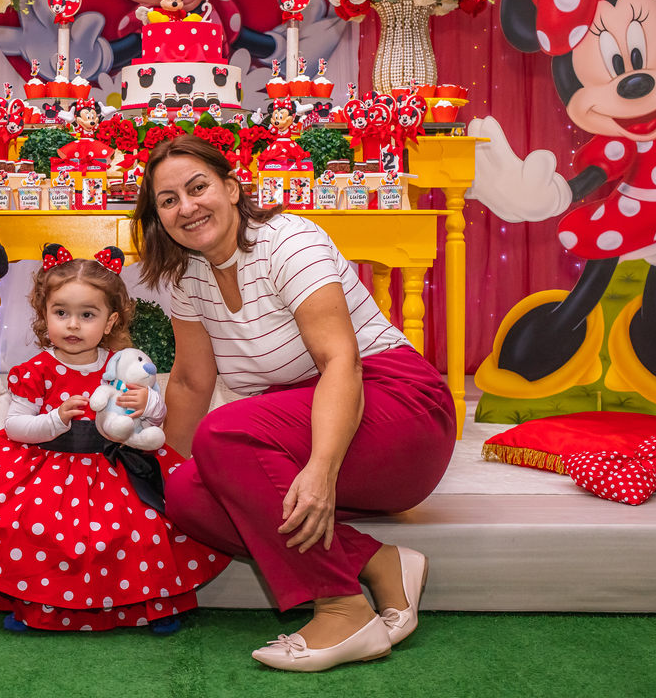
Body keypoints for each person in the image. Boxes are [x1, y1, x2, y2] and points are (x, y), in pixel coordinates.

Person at [132, 135, 456, 672]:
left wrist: (322, 468)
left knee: (225, 432)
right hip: (305, 427)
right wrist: (163, 471)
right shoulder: (188, 276)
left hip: (398, 410)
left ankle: (343, 610)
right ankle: (378, 563)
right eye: (168, 200)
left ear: (231, 188)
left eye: (197, 188)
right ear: (158, 217)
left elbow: (340, 361)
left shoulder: (289, 240)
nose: (186, 207)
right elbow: (189, 384)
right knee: (186, 493)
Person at [0, 244, 230, 632]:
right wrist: (55, 420)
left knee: (147, 525)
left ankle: (157, 603)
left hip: (117, 465)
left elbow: (154, 420)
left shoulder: (123, 365)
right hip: (49, 469)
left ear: (110, 321)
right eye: (61, 313)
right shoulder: (35, 370)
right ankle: (37, 606)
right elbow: (14, 426)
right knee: (39, 528)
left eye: (87, 315)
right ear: (44, 314)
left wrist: (148, 403)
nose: (73, 325)